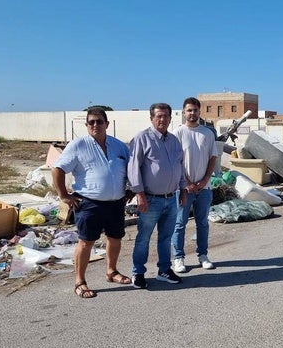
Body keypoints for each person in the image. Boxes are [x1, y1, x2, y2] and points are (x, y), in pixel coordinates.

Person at [52, 108, 132, 299]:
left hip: (116, 203)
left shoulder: (119, 146)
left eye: (99, 121)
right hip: (89, 203)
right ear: (87, 125)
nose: (96, 125)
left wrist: (131, 189)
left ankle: (111, 272)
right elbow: (58, 169)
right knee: (86, 241)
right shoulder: (78, 145)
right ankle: (80, 281)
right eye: (91, 122)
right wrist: (63, 195)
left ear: (107, 124)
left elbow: (132, 168)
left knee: (115, 238)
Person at [128, 103, 187, 289]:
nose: (162, 120)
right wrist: (139, 194)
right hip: (150, 199)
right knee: (144, 237)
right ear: (151, 118)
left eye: (166, 116)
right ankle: (138, 272)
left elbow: (180, 167)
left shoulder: (174, 141)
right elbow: (133, 167)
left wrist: (183, 189)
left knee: (166, 237)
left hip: (171, 198)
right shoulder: (142, 138)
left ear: (170, 118)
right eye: (158, 116)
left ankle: (164, 270)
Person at [171, 97, 218, 273]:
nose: (192, 113)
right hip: (184, 189)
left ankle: (203, 255)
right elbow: (175, 161)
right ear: (184, 112)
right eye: (189, 110)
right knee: (179, 223)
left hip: (203, 188)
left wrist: (205, 180)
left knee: (203, 224)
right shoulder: (178, 133)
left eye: (195, 110)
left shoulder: (207, 133)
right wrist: (187, 183)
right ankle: (178, 258)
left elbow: (213, 157)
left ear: (200, 112)